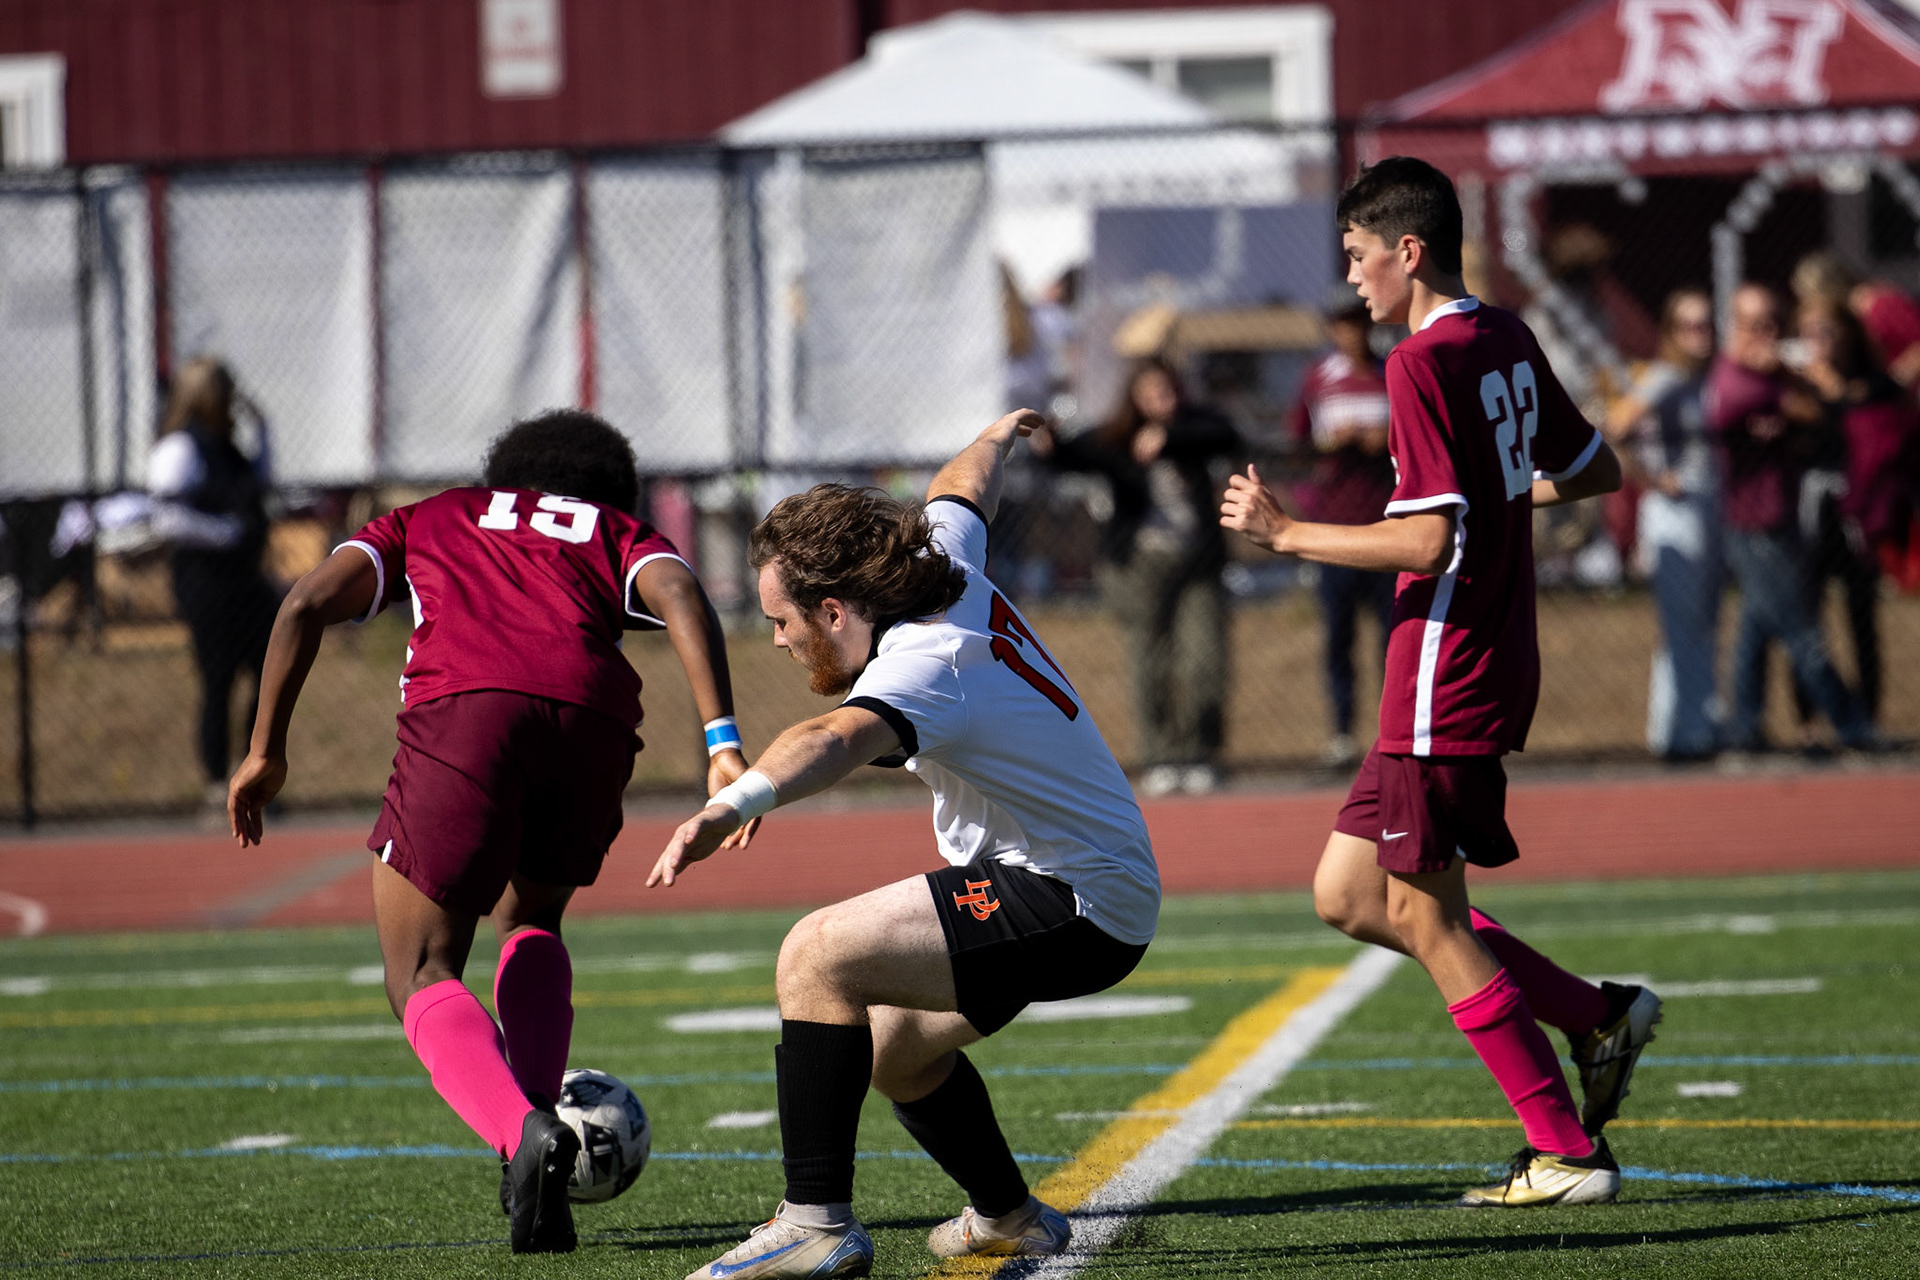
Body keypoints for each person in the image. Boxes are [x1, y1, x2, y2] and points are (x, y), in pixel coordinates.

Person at [1221, 157, 1657, 1207]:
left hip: (1444, 663)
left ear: (1407, 251)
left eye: (1359, 256)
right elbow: (1597, 469)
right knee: (1347, 894)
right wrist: (1506, 506)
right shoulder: (1501, 332)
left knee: (1426, 915)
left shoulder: (1418, 361)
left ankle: (1565, 1148)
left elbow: (1422, 538)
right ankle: (1596, 1015)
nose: (1354, 278)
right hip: (1482, 651)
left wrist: (1287, 534)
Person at [225, 410, 753, 1255]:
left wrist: (264, 752)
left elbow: (304, 604)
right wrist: (721, 740)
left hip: (465, 713)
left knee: (421, 968)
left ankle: (522, 1136)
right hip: (593, 716)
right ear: (610, 492)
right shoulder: (611, 528)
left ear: (503, 474)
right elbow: (683, 591)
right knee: (533, 919)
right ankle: (530, 1146)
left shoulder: (430, 516)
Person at [651, 410, 1160, 1279]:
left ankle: (813, 1223)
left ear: (836, 609)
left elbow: (833, 738)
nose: (775, 640)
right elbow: (960, 488)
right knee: (894, 1050)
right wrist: (1000, 436)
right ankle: (1008, 1217)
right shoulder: (944, 566)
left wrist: (732, 803)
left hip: (1073, 895)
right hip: (1085, 884)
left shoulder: (925, 661)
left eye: (782, 620)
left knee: (815, 955)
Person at [1030, 358, 1240, 795]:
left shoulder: (1196, 428)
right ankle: (1161, 756)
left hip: (1197, 564)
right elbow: (1072, 456)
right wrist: (1049, 444)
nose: (1161, 399)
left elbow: (1228, 436)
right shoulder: (1117, 438)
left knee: (1205, 658)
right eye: (1151, 392)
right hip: (1138, 565)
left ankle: (1200, 753)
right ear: (1135, 396)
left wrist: (1171, 438)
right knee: (1151, 660)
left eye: (1167, 390)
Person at [1705, 284, 1874, 753]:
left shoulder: (1767, 375)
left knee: (1755, 630)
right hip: (1755, 525)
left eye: (1776, 324)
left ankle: (1746, 727)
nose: (1770, 335)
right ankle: (1852, 725)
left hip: (1778, 514)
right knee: (1803, 631)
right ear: (1735, 327)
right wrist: (1800, 378)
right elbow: (1815, 407)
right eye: (1757, 325)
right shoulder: (1738, 383)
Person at [148, 358, 282, 805]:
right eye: (224, 392)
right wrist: (227, 533)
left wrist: (263, 429)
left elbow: (258, 485)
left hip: (245, 580)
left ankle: (254, 768)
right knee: (218, 678)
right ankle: (214, 780)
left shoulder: (227, 448)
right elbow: (168, 518)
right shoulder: (180, 449)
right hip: (207, 583)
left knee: (268, 674)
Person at [1604, 288, 1722, 760]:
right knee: (1682, 624)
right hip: (1675, 512)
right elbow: (1617, 424)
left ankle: (1690, 723)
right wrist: (1652, 478)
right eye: (1691, 326)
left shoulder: (1705, 378)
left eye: (1708, 324)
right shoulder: (1666, 376)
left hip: (1709, 508)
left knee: (1702, 622)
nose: (1703, 335)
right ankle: (1682, 733)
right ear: (1672, 333)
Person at [1793, 297, 1919, 733]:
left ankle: (1869, 718)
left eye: (1826, 332)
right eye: (1809, 333)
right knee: (1808, 619)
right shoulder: (1796, 385)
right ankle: (1810, 722)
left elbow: (1880, 415)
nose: (1818, 344)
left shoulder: (1872, 384)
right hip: (1812, 513)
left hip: (1858, 513)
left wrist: (1836, 393)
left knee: (1861, 617)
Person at [1290, 297, 1397, 766]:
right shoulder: (1319, 377)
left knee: (1394, 639)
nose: (1352, 333)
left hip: (1389, 524)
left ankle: (1395, 731)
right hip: (1334, 525)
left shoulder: (1393, 369)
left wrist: (1384, 438)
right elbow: (1297, 442)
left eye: (1358, 323)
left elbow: (1414, 434)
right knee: (1339, 636)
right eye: (1342, 325)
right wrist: (1334, 442)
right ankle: (1341, 732)